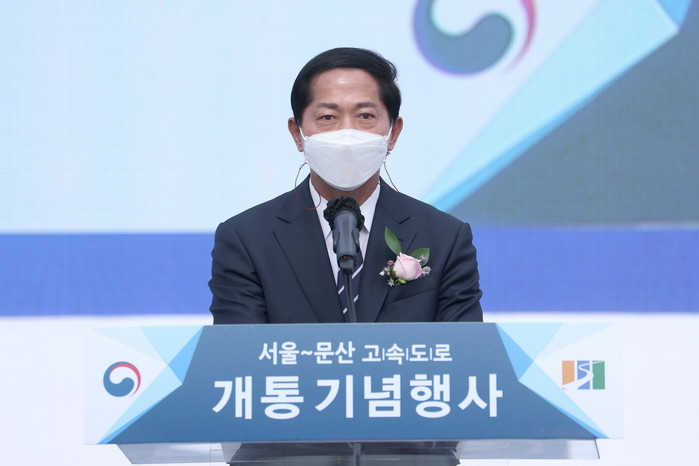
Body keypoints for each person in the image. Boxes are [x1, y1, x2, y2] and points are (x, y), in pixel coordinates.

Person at [209, 47, 482, 324]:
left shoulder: (445, 237)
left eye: (365, 116)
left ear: (393, 133)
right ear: (297, 134)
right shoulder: (247, 239)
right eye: (328, 117)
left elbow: (464, 346)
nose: (347, 134)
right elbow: (238, 348)